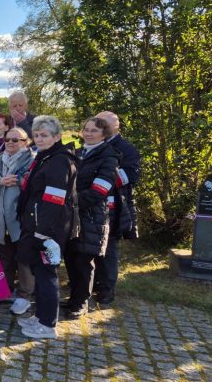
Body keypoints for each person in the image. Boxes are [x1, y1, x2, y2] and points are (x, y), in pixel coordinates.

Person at [16, 115, 77, 339]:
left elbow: (54, 199)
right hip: (36, 223)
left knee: (46, 274)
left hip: (48, 229)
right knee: (38, 272)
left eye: (44, 135)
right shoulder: (45, 157)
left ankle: (48, 323)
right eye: (37, 135)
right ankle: (40, 315)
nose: (39, 139)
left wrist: (45, 233)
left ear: (57, 136)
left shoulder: (59, 161)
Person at [64, 117, 119, 319]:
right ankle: (73, 298)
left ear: (104, 134)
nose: (88, 133)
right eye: (86, 129)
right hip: (70, 214)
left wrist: (70, 201)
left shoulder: (109, 157)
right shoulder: (77, 153)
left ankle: (81, 303)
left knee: (84, 260)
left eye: (94, 131)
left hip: (91, 216)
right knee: (70, 257)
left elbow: (100, 190)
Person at [0, 127, 35, 315]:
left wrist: (19, 181)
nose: (10, 143)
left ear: (26, 142)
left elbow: (34, 185)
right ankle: (5, 289)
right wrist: (0, 182)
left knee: (24, 259)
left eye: (16, 140)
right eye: (8, 139)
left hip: (19, 220)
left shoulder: (32, 161)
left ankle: (25, 295)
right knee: (5, 257)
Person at [93, 111, 140, 304]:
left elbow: (131, 178)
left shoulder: (126, 149)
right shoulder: (92, 146)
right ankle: (91, 282)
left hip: (113, 204)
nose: (101, 126)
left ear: (116, 126)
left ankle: (107, 289)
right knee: (89, 245)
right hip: (90, 203)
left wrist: (103, 174)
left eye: (105, 124)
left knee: (109, 247)